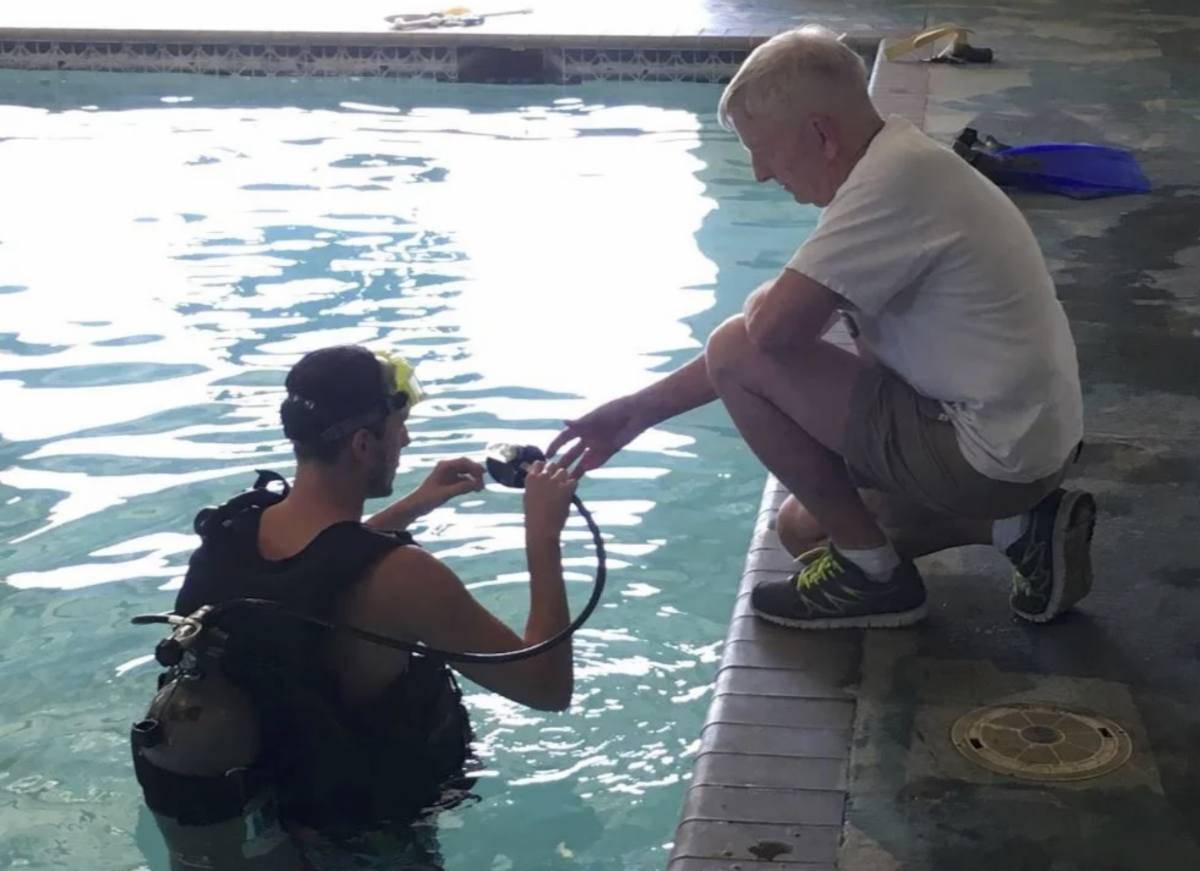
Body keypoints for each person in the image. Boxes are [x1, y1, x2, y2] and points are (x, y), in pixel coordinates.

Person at [546, 25, 1096, 631]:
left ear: (820, 135)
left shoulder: (890, 189)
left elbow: (764, 340)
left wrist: (763, 300)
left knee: (742, 344)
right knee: (802, 531)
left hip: (990, 453)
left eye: (764, 149)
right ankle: (1021, 529)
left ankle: (875, 581)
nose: (759, 173)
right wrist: (638, 411)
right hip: (1025, 445)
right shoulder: (901, 162)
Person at [131, 344, 579, 871]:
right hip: (363, 848)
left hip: (259, 826)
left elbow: (312, 576)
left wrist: (416, 502)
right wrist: (543, 537)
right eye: (400, 426)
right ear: (364, 443)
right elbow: (547, 687)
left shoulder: (235, 531)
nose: (406, 440)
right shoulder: (404, 577)